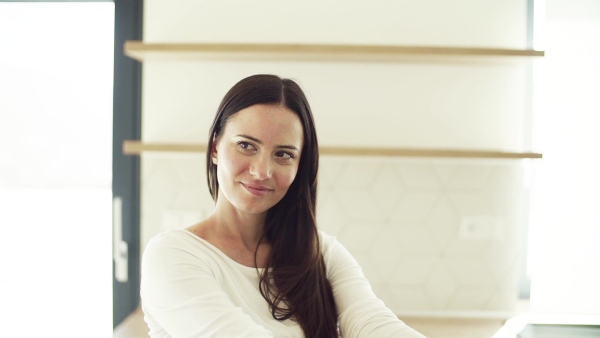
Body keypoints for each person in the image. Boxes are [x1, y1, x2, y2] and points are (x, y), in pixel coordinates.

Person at [140, 74, 426, 338]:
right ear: (215, 147)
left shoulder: (321, 252)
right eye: (246, 145)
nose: (262, 170)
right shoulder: (172, 255)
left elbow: (370, 321)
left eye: (283, 154)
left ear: (299, 166)